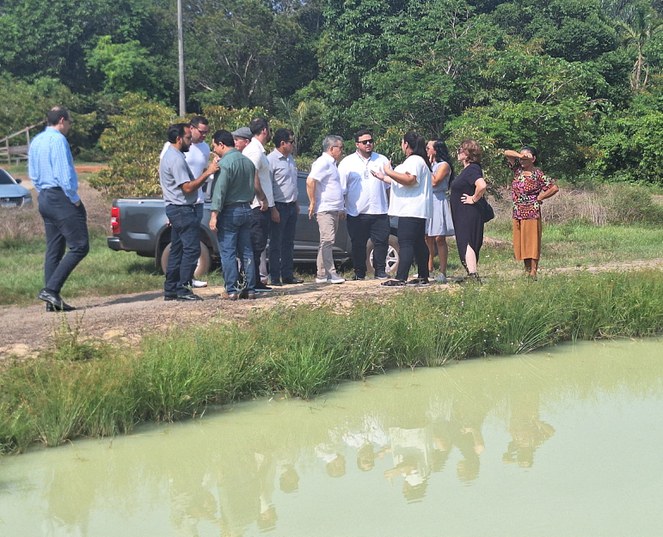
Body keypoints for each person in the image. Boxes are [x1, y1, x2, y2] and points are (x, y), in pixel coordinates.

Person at [29, 106, 90, 312]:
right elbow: (64, 174)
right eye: (70, 122)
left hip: (44, 196)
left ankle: (51, 302)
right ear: (62, 120)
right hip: (60, 196)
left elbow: (33, 175)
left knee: (54, 249)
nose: (70, 127)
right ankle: (51, 290)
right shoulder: (58, 140)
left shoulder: (36, 141)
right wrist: (74, 199)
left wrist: (44, 193)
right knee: (80, 245)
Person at [159, 123, 219, 301]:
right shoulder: (175, 159)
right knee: (192, 249)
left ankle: (171, 289)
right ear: (178, 139)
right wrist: (207, 173)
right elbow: (187, 188)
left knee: (177, 249)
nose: (190, 142)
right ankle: (182, 289)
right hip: (182, 209)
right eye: (187, 138)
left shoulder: (173, 155)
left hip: (178, 208)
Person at [372, 131, 432, 286]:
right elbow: (401, 182)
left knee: (406, 243)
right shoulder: (419, 161)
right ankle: (423, 276)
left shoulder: (414, 161)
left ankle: (401, 277)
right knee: (418, 243)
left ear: (406, 144)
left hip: (411, 209)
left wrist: (389, 171)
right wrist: (383, 177)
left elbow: (410, 180)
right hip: (417, 209)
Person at [208, 130, 259, 300]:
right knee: (246, 251)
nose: (214, 149)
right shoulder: (248, 162)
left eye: (214, 146)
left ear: (221, 144)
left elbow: (219, 191)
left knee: (228, 251)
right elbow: (253, 187)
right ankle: (250, 288)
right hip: (247, 208)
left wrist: (214, 214)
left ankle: (231, 289)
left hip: (230, 211)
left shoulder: (225, 164)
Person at [338, 129, 391, 280]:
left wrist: (391, 206)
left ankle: (380, 271)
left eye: (370, 141)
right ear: (357, 144)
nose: (368, 144)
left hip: (380, 210)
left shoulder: (382, 160)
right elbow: (341, 188)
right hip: (356, 212)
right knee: (358, 244)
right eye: (364, 142)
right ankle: (359, 273)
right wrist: (341, 208)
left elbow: (389, 186)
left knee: (381, 242)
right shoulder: (347, 162)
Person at [504, 146, 559, 279]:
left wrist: (541, 197)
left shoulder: (537, 174)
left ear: (533, 159)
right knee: (522, 242)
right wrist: (520, 155)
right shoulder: (517, 171)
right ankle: (526, 269)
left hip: (531, 211)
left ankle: (534, 271)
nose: (523, 160)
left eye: (526, 157)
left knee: (532, 241)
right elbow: (506, 153)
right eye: (521, 157)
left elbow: (554, 188)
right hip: (518, 212)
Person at [244, 118, 277, 292]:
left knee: (259, 244)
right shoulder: (254, 151)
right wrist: (262, 198)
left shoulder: (259, 150)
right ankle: (252, 281)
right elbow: (252, 176)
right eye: (269, 130)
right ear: (264, 130)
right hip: (257, 206)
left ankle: (255, 280)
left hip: (261, 205)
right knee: (256, 244)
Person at [306, 135, 346, 284]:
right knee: (327, 239)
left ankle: (322, 274)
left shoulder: (333, 164)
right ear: (331, 149)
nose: (341, 151)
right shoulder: (323, 162)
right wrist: (312, 202)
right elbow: (311, 180)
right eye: (340, 148)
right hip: (325, 209)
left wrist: (341, 208)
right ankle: (331, 273)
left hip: (334, 208)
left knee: (327, 241)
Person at [267, 128, 304, 286]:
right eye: (291, 142)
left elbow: (292, 183)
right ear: (282, 143)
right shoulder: (271, 160)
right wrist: (272, 208)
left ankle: (287, 274)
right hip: (278, 206)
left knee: (288, 242)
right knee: (276, 243)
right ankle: (274, 277)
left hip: (290, 206)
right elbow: (268, 185)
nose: (293, 145)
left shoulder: (290, 159)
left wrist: (295, 203)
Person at [449, 139, 487, 283]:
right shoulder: (468, 170)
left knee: (468, 241)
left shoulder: (472, 169)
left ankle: (473, 275)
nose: (458, 152)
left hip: (468, 213)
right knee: (465, 241)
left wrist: (474, 198)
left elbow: (481, 185)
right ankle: (471, 273)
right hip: (463, 213)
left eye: (460, 150)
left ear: (467, 154)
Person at [185, 115, 211, 288]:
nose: (203, 136)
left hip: (198, 201)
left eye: (206, 133)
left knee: (194, 242)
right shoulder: (179, 147)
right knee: (182, 243)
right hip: (181, 200)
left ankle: (189, 277)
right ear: (191, 128)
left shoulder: (205, 147)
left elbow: (203, 172)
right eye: (201, 132)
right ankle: (178, 280)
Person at [425, 140, 455, 284]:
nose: (426, 149)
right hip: (428, 200)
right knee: (427, 237)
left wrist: (428, 168)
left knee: (439, 238)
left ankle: (442, 271)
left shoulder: (444, 165)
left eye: (428, 148)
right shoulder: (430, 165)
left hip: (439, 200)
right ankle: (428, 268)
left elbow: (435, 181)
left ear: (435, 150)